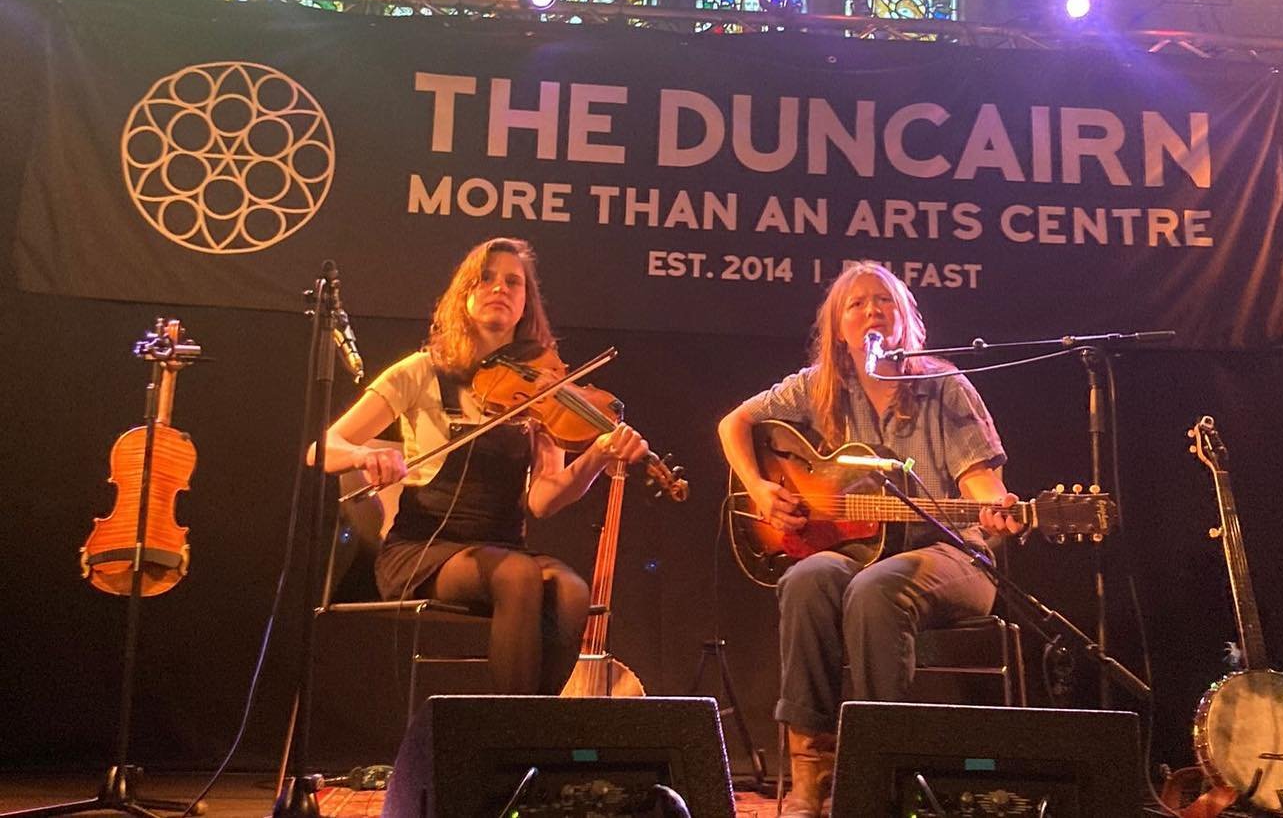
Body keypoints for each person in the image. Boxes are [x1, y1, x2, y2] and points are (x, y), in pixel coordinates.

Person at [717, 261, 1024, 817]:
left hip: (957, 553)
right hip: (867, 556)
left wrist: (999, 505)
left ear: (905, 318)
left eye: (883, 301)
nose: (871, 311)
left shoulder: (943, 387)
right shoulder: (820, 389)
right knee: (808, 577)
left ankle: (881, 771)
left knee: (875, 589)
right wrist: (761, 489)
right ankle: (812, 777)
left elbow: (980, 482)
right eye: (856, 305)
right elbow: (733, 423)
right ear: (839, 329)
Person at [318, 236, 648, 694]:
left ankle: (531, 736)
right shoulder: (420, 371)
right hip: (422, 550)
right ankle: (509, 737)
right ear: (464, 296)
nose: (500, 288)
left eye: (513, 282)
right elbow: (322, 448)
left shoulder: (543, 388)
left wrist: (596, 455)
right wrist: (364, 455)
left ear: (525, 304)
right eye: (486, 278)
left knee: (571, 591)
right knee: (518, 576)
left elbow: (545, 499)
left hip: (502, 548)